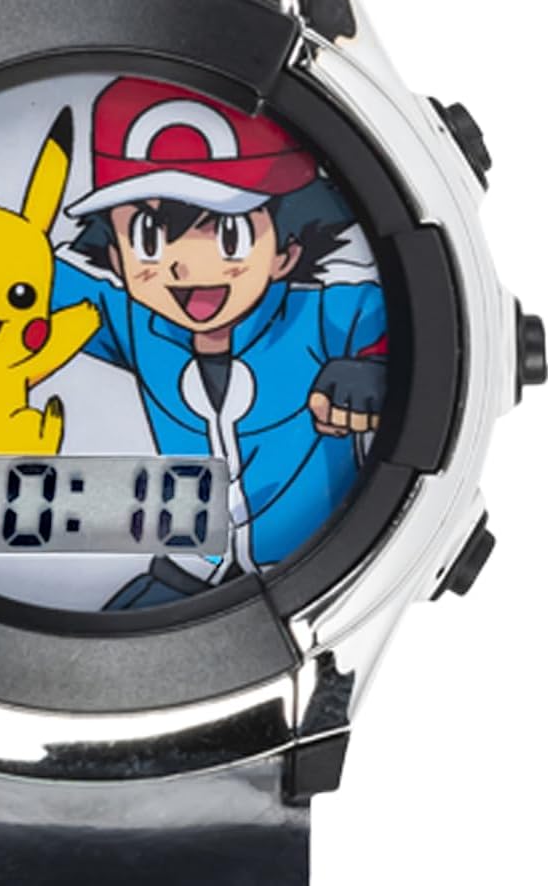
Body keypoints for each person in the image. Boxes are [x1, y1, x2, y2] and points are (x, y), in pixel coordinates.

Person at [52, 77, 388, 609]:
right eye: (148, 240)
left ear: (288, 249)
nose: (185, 267)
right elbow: (22, 272)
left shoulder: (322, 313)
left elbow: (406, 334)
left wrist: (374, 371)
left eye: (230, 235)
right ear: (115, 257)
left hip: (312, 577)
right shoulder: (134, 322)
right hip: (181, 575)